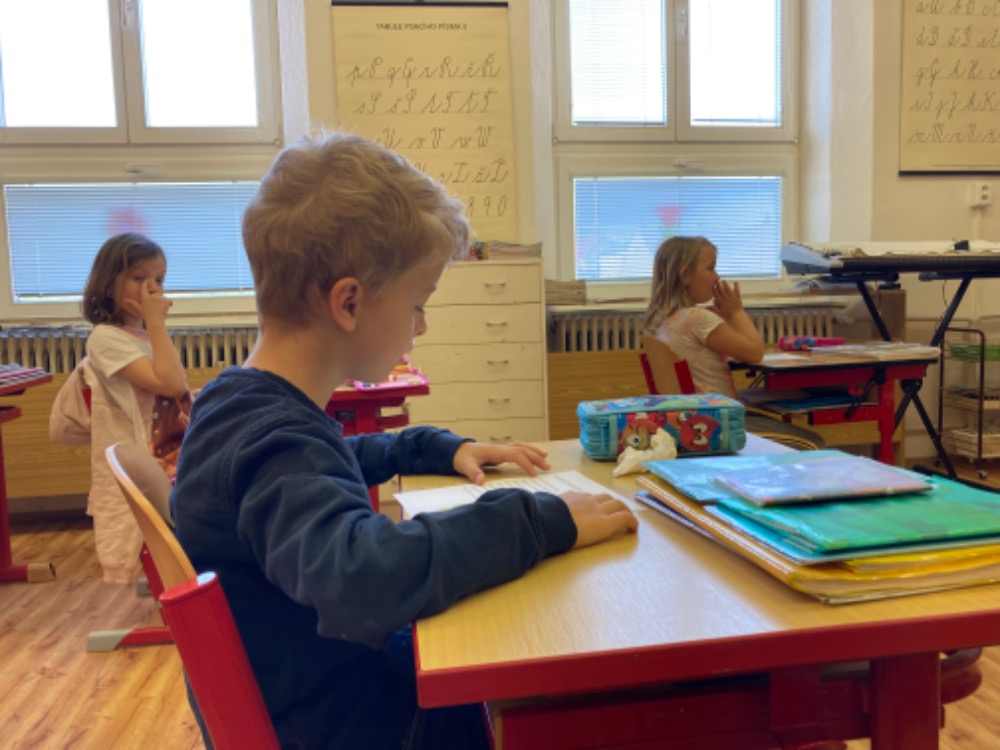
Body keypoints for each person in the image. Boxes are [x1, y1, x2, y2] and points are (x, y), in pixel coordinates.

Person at [171, 131, 638, 750]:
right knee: (553, 689)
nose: (422, 324)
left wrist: (430, 448)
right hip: (356, 727)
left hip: (320, 697)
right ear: (348, 302)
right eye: (418, 303)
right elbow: (362, 577)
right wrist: (538, 519)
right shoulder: (275, 438)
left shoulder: (239, 402)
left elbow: (332, 458)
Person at [643, 235, 825, 447]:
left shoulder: (659, 320)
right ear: (685, 275)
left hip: (690, 421)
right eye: (710, 268)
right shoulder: (697, 319)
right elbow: (754, 352)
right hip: (721, 421)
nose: (717, 277)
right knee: (813, 442)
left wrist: (725, 318)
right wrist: (735, 312)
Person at [81, 232, 189, 584]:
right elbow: (170, 384)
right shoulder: (105, 338)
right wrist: (157, 323)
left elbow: (175, 388)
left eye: (159, 279)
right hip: (151, 457)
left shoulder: (145, 337)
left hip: (172, 450)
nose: (152, 289)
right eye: (139, 278)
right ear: (108, 285)